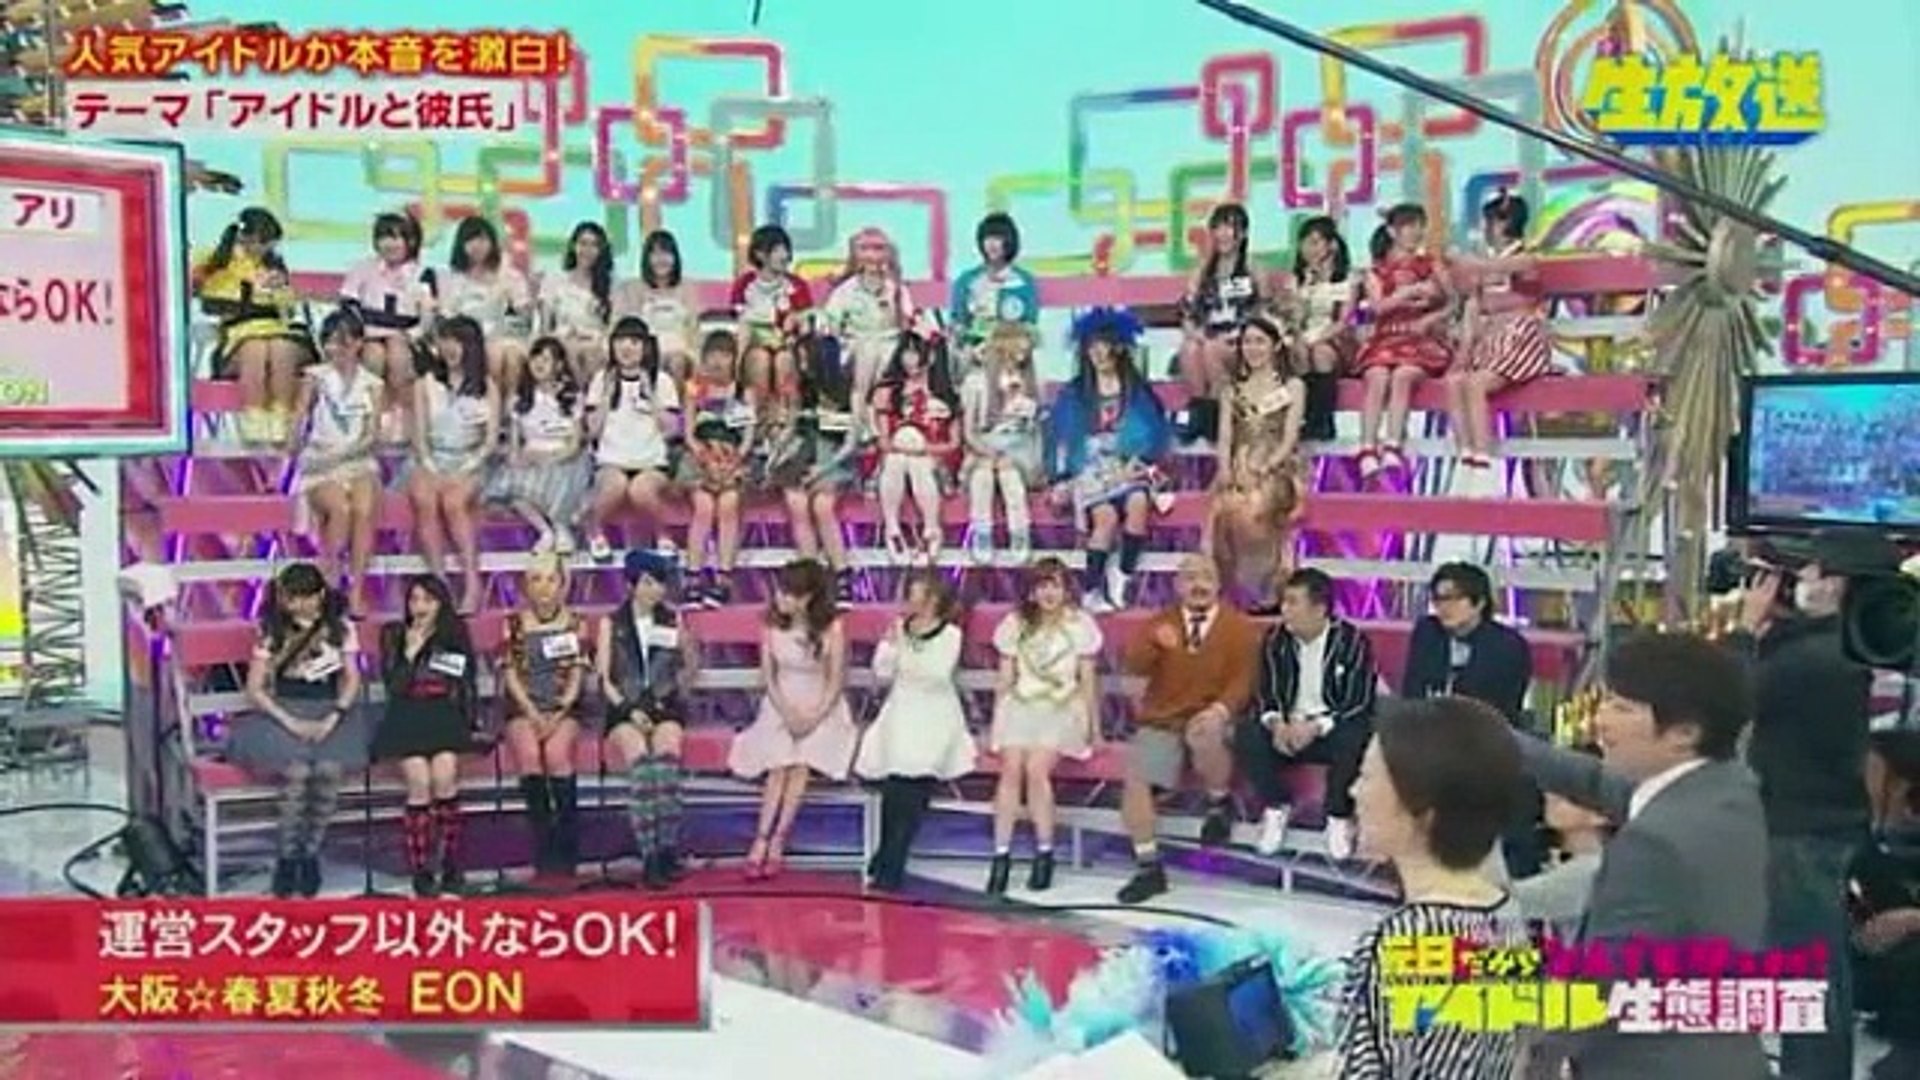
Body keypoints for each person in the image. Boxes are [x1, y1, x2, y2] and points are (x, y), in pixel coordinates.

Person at [1513, 630, 1769, 1079]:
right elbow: (1599, 784)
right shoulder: (1727, 792)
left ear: (1684, 733)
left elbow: (1600, 988)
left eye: (1622, 708)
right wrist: (1500, 742)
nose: (1600, 720)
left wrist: (1530, 1054)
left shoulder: (1654, 843)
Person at [1726, 526, 1904, 1080]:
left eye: (1811, 569)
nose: (1799, 579)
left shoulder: (1816, 658)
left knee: (1808, 979)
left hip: (1799, 830)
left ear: (1839, 584)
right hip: (1823, 823)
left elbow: (1725, 700)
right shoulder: (1841, 647)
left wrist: (1743, 632)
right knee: (1819, 974)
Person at [1337, 695, 1529, 1079]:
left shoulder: (1398, 941)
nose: (1355, 791)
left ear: (1422, 809)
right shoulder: (1506, 913)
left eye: (1368, 777)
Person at [1114, 554, 1259, 904]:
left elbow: (1244, 681)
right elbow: (1133, 667)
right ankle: (1149, 867)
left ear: (1218, 584)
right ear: (1178, 586)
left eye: (1206, 576)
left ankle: (1218, 804)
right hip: (1163, 720)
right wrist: (1152, 644)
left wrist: (1220, 710)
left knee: (1204, 734)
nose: (1199, 584)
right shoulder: (1159, 624)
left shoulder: (1238, 628)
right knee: (1136, 781)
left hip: (1214, 716)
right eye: (1190, 578)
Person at [229, 562, 370, 898]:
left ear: (319, 595)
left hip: (329, 710)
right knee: (297, 772)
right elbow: (255, 689)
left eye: (303, 598)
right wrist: (289, 721)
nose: (296, 605)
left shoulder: (341, 629)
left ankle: (310, 853)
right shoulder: (271, 630)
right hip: (281, 712)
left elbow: (352, 679)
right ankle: (287, 856)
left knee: (328, 771)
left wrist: (334, 716)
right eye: (290, 598)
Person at [1402, 561, 1540, 876]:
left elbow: (1502, 708)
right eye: (1438, 599)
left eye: (1453, 598)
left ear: (1478, 603)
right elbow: (1413, 691)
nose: (1443, 607)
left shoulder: (1507, 646)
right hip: (1431, 740)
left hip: (1484, 742)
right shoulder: (1427, 633)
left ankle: (1510, 873)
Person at [1232, 568, 1378, 860]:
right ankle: (1276, 806)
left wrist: (1315, 727)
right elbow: (1267, 691)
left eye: (1293, 602)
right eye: (1284, 602)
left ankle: (1338, 815)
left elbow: (1358, 700)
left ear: (1319, 608)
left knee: (1355, 734)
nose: (1284, 610)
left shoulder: (1351, 641)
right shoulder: (1276, 639)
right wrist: (1277, 723)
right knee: (1247, 733)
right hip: (1287, 729)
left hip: (1330, 729)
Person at [728, 559, 859, 880]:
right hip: (780, 702)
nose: (780, 599)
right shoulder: (771, 625)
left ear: (807, 597)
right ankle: (760, 839)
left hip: (822, 705)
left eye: (788, 594)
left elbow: (835, 681)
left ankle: (778, 840)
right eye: (780, 592)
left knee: (800, 764)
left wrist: (814, 716)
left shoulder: (832, 627)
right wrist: (786, 712)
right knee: (779, 764)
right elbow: (769, 679)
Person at [1042, 307, 1172, 613]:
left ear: (1118, 348)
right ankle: (1091, 589)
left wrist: (1139, 459)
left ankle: (1122, 575)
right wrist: (1061, 477)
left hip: (1127, 467)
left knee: (1138, 503)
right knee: (1106, 518)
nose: (1098, 353)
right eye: (1092, 347)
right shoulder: (1075, 393)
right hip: (1090, 471)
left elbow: (1153, 431)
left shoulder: (1136, 392)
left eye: (1104, 346)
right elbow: (1061, 438)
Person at [987, 557, 1103, 894]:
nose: (1049, 593)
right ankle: (1001, 856)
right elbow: (1005, 679)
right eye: (1042, 586)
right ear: (1032, 591)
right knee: (1012, 768)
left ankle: (1044, 852)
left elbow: (1087, 681)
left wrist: (1095, 728)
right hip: (1021, 705)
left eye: (1055, 585)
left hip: (1063, 707)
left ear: (1066, 590)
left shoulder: (1080, 625)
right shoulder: (1015, 624)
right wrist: (997, 722)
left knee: (1036, 768)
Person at [854, 571, 976, 891]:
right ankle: (886, 854)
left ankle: (893, 860)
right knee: (895, 785)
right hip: (901, 709)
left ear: (932, 600)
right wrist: (890, 646)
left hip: (934, 713)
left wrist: (905, 657)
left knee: (915, 783)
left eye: (915, 594)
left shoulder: (950, 635)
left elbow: (936, 674)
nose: (909, 600)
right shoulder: (898, 630)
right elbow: (882, 673)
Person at [371, 575, 477, 898]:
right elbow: (394, 686)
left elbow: (465, 681)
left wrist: (470, 723)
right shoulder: (393, 634)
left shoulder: (454, 634)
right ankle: (421, 868)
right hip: (406, 715)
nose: (419, 607)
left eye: (427, 601)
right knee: (420, 781)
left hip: (443, 715)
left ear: (440, 604)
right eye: (414, 600)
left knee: (444, 776)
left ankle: (451, 864)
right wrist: (411, 652)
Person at [597, 550, 697, 890]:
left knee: (666, 762)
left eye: (660, 583)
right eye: (649, 583)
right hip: (624, 707)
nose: (657, 590)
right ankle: (649, 854)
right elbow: (604, 679)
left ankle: (667, 848)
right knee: (641, 763)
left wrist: (689, 648)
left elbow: (687, 673)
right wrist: (628, 710)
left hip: (664, 704)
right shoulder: (611, 623)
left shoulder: (672, 619)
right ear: (632, 585)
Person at [500, 553, 590, 884]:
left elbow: (578, 673)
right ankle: (543, 844)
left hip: (564, 706)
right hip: (524, 706)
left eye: (551, 579)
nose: (544, 587)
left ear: (562, 585)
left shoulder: (577, 623)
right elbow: (510, 674)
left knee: (556, 754)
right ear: (526, 586)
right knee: (529, 755)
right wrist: (533, 712)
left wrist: (559, 710)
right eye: (536, 580)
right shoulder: (512, 624)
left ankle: (567, 842)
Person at [1207, 315, 1307, 610]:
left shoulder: (1292, 387)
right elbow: (1225, 436)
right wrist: (1225, 469)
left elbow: (1290, 437)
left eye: (1260, 341)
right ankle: (1237, 594)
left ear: (1275, 345)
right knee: (1225, 512)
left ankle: (1272, 591)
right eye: (1248, 342)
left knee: (1259, 509)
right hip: (1240, 464)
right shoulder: (1232, 390)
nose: (1253, 348)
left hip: (1277, 465)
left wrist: (1267, 466)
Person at [288, 307, 383, 617]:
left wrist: (345, 454)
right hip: (320, 462)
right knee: (340, 508)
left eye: (341, 342)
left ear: (357, 343)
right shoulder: (315, 377)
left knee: (363, 509)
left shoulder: (372, 384)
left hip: (358, 459)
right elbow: (299, 419)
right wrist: (292, 455)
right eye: (329, 341)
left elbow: (372, 435)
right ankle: (328, 584)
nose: (334, 349)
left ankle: (356, 591)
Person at [193, 207, 312, 445]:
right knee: (256, 348)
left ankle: (281, 418)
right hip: (239, 334)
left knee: (280, 348)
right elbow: (195, 286)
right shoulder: (218, 260)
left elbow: (288, 312)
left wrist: (280, 290)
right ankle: (254, 418)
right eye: (262, 241)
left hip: (277, 330)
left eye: (270, 243)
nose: (266, 248)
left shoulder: (274, 265)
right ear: (245, 237)